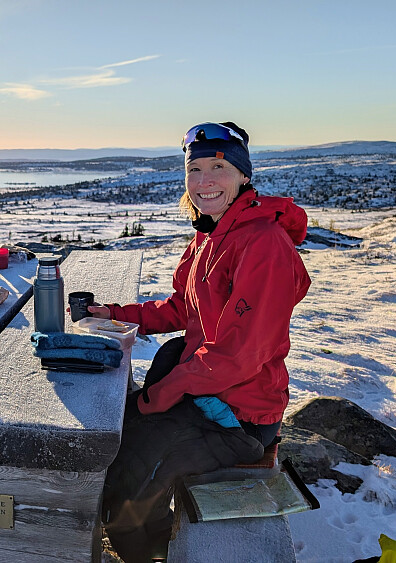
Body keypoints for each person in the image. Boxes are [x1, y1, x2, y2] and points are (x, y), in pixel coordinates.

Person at [92, 122, 311, 561]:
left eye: (219, 167)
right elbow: (182, 309)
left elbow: (239, 354)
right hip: (204, 390)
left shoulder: (262, 244)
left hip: (240, 414)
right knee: (117, 438)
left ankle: (146, 552)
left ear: (243, 176)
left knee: (134, 476)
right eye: (195, 169)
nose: (205, 180)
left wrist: (161, 393)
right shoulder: (211, 233)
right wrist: (115, 315)